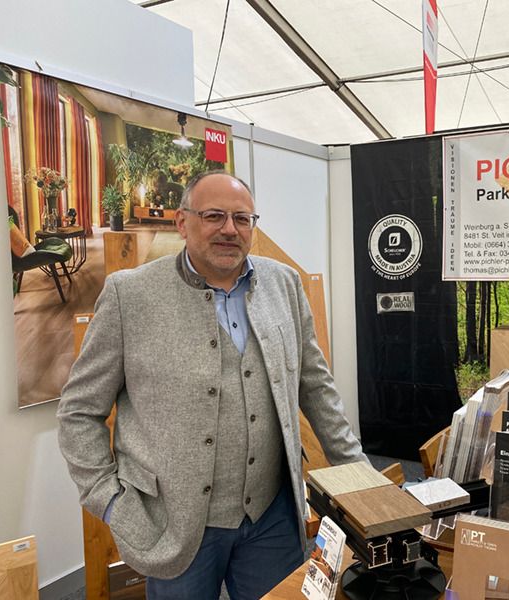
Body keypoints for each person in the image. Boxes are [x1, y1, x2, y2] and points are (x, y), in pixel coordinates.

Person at [57, 171, 365, 599]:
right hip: (172, 524)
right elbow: (78, 411)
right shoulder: (131, 296)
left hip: (272, 518)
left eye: (242, 218)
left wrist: (360, 477)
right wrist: (110, 501)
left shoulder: (285, 284)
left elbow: (315, 387)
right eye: (214, 216)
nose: (229, 229)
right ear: (182, 223)